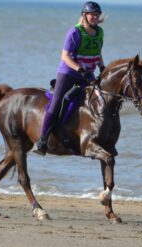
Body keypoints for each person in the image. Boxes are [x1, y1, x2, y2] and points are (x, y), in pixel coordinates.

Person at [34, 1, 106, 155]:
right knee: (56, 103)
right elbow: (65, 56)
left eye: (96, 14)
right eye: (91, 14)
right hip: (69, 72)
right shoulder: (75, 32)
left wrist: (102, 67)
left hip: (87, 73)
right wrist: (79, 69)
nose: (94, 17)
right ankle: (42, 140)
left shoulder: (99, 32)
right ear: (84, 15)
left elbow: (97, 52)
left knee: (101, 98)